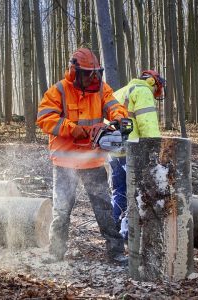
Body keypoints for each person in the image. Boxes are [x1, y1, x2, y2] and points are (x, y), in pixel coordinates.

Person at [36, 48, 128, 264]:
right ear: (75, 71)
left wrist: (117, 121)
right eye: (88, 73)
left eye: (95, 73)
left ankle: (115, 253)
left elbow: (116, 106)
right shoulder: (58, 91)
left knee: (104, 208)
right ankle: (56, 252)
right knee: (62, 210)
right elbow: (44, 118)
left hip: (92, 160)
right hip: (65, 162)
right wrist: (72, 128)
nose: (92, 77)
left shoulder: (101, 89)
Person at [108, 70, 166, 239]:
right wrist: (155, 151)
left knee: (119, 190)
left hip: (113, 150)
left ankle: (115, 228)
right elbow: (148, 125)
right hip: (133, 150)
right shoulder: (142, 91)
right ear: (153, 82)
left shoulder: (121, 91)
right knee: (138, 190)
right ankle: (130, 232)